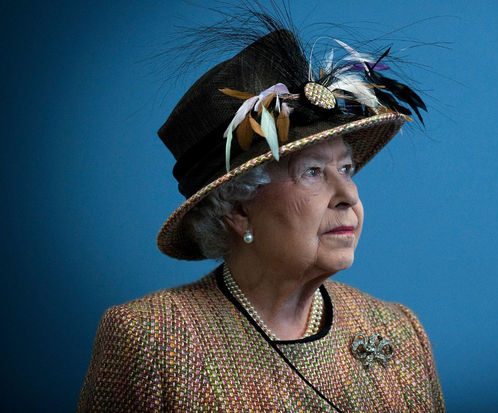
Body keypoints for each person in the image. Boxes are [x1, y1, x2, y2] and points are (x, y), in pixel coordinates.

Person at [78, 9, 444, 412]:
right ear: (238, 209)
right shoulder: (152, 339)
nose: (348, 196)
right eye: (311, 172)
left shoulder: (398, 331)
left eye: (345, 169)